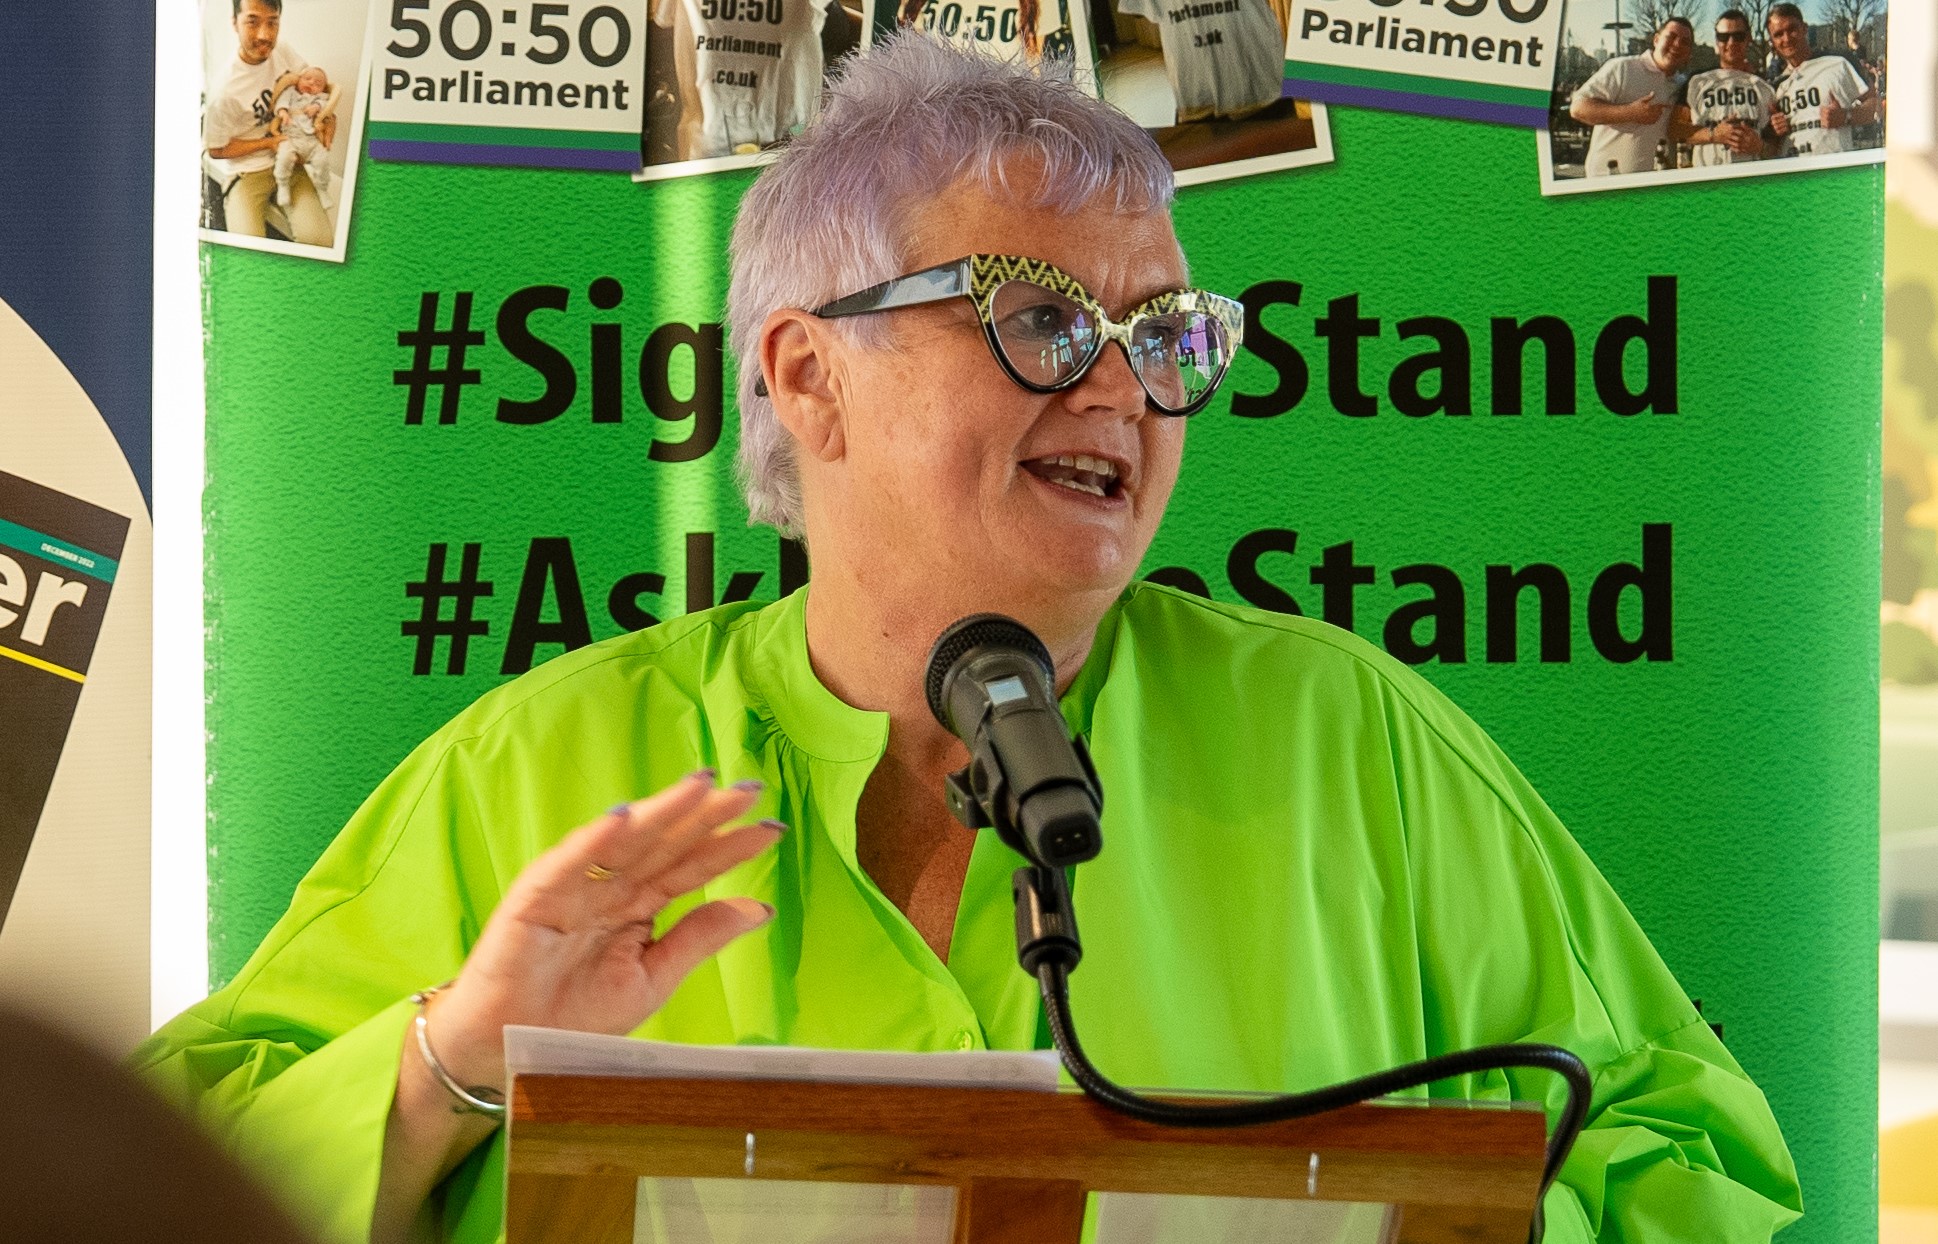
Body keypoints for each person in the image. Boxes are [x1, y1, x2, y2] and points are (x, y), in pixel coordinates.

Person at [138, 34, 1803, 1244]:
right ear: (806, 374)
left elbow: (1693, 1154)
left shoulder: (1349, 740)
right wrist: (447, 1067)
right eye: (1039, 318)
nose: (1121, 388)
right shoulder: (547, 767)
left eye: (1166, 337)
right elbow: (147, 1179)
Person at [203, 0, 333, 246]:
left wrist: (324, 122)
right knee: (249, 251)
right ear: (235, 24)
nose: (265, 35)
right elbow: (215, 150)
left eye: (272, 23)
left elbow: (311, 86)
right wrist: (269, 143)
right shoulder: (223, 92)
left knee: (320, 241)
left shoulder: (282, 50)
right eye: (252, 22)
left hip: (290, 157)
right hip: (247, 171)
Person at [1568, 17, 1694, 177]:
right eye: (1671, 37)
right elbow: (1578, 108)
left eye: (1685, 42)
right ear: (1656, 40)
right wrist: (1631, 113)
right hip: (1608, 183)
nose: (1677, 45)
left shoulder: (1683, 85)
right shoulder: (1623, 68)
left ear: (1689, 53)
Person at [1766, 3, 1878, 157]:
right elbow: (1769, 144)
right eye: (1778, 34)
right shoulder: (1776, 85)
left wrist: (1845, 116)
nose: (1786, 38)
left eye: (1792, 29)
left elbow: (1876, 105)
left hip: (1835, 170)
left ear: (1804, 28)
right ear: (1772, 41)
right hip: (1793, 173)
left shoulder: (1838, 62)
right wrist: (1775, 132)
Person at [1675, 9, 1774, 166]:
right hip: (1708, 182)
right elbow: (1676, 129)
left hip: (1752, 181)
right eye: (1723, 37)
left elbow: (1778, 146)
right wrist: (1713, 134)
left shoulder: (1764, 87)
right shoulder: (1697, 82)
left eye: (1738, 36)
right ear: (1716, 41)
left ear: (1748, 38)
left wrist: (1760, 147)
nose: (1731, 42)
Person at [271, 66, 338, 211]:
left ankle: (322, 188)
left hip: (311, 138)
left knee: (322, 161)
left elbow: (326, 104)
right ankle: (282, 184)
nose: (311, 83)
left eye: (318, 84)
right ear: (298, 80)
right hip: (290, 137)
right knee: (284, 158)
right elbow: (280, 103)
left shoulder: (319, 98)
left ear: (322, 89)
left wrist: (316, 106)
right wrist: (283, 113)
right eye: (307, 79)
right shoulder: (290, 93)